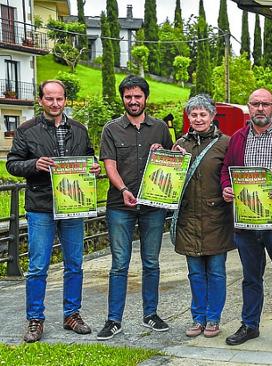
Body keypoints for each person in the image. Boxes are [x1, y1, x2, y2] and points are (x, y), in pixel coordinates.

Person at [7, 80, 100, 342]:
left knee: (75, 264)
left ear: (65, 100)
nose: (55, 103)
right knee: (38, 266)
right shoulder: (26, 130)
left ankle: (72, 314)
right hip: (41, 206)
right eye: (49, 98)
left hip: (73, 204)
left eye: (59, 98)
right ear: (41, 101)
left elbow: (90, 157)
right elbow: (12, 164)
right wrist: (34, 164)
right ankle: (35, 319)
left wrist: (93, 167)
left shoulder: (79, 130)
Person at [97, 75, 174, 340]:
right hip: (120, 205)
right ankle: (113, 320)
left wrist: (161, 152)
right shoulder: (111, 129)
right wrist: (124, 190)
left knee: (151, 262)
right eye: (128, 97)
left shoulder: (161, 128)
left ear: (145, 98)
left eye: (137, 96)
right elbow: (109, 165)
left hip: (153, 206)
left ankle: (150, 314)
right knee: (119, 264)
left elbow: (172, 161)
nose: (133, 101)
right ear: (123, 99)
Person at [221, 89, 272, 351]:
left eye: (265, 104)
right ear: (248, 107)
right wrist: (227, 188)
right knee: (251, 277)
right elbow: (226, 171)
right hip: (246, 221)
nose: (260, 108)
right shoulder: (238, 138)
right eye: (255, 104)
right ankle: (250, 324)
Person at [171, 94, 234, 338]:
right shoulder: (181, 145)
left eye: (203, 114)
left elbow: (230, 176)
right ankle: (197, 318)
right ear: (188, 117)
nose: (198, 119)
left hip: (216, 218)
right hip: (189, 219)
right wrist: (168, 156)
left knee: (216, 271)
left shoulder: (225, 144)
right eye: (193, 114)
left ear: (212, 116)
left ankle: (213, 319)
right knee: (195, 272)